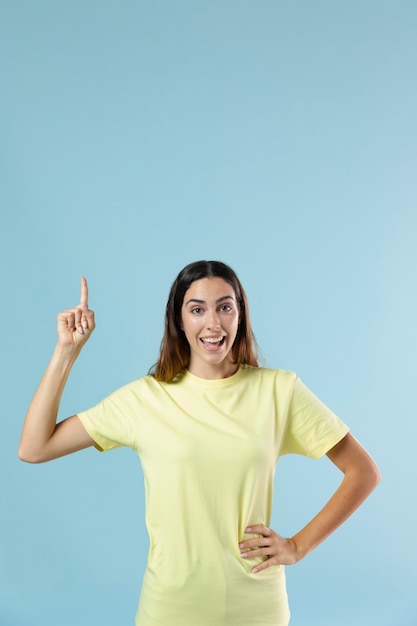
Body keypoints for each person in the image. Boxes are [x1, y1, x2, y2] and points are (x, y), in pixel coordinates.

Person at [19, 260, 380, 626]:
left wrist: (298, 546)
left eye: (225, 307)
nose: (213, 323)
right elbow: (34, 448)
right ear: (179, 320)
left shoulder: (279, 390)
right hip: (171, 608)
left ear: (240, 315)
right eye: (197, 309)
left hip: (256, 607)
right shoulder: (145, 399)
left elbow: (363, 472)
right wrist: (67, 351)